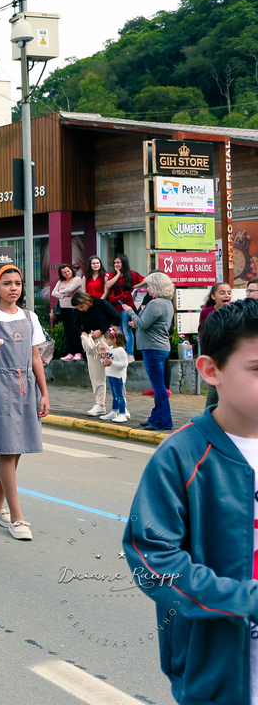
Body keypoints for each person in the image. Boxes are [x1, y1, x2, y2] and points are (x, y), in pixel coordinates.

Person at [121, 297, 258, 705]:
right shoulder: (182, 456)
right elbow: (152, 557)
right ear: (211, 370)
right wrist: (243, 601)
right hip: (217, 669)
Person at [0, 264, 50, 542]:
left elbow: (36, 358)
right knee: (8, 450)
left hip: (26, 386)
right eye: (7, 283)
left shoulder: (30, 317)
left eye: (17, 283)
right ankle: (17, 517)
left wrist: (44, 393)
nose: (13, 288)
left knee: (17, 449)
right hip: (0, 386)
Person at [130, 271, 175, 431]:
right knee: (159, 385)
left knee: (158, 386)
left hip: (153, 348)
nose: (147, 288)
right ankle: (156, 417)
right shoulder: (167, 302)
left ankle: (163, 421)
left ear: (156, 286)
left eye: (149, 285)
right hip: (159, 347)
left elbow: (142, 323)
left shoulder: (156, 304)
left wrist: (129, 311)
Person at [71, 291, 122, 416]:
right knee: (96, 374)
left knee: (111, 372)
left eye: (82, 307)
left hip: (104, 342)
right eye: (78, 308)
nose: (80, 310)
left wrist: (102, 330)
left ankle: (120, 404)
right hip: (91, 344)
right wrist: (83, 332)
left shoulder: (101, 304)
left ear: (87, 301)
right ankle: (100, 404)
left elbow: (117, 318)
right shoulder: (80, 311)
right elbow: (74, 325)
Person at [105, 254, 144, 356]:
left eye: (118, 262)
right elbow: (108, 285)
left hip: (125, 304)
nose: (116, 265)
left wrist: (134, 287)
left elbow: (145, 280)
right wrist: (118, 274)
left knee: (126, 329)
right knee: (118, 330)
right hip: (114, 305)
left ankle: (130, 354)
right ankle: (121, 353)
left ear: (123, 263)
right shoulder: (113, 274)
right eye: (115, 263)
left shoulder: (131, 274)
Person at [52, 263, 86, 360]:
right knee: (67, 330)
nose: (67, 273)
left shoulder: (77, 279)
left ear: (71, 270)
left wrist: (60, 292)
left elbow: (69, 289)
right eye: (64, 272)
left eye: (68, 271)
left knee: (73, 329)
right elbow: (53, 293)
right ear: (61, 274)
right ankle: (71, 352)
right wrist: (63, 295)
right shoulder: (60, 282)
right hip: (64, 309)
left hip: (74, 308)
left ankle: (79, 352)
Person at [101, 327, 130, 423]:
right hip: (111, 375)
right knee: (115, 395)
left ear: (114, 339)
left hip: (118, 377)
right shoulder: (111, 350)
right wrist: (104, 354)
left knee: (119, 396)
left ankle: (122, 413)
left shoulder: (121, 351)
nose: (106, 341)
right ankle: (114, 411)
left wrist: (111, 362)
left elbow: (124, 364)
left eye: (107, 339)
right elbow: (104, 363)